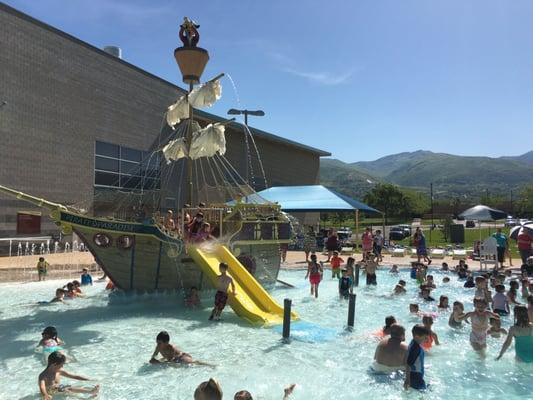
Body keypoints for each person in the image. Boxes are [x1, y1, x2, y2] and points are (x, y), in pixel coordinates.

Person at [404, 324, 430, 390]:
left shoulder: (413, 342)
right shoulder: (415, 348)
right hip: (415, 376)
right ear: (417, 336)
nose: (426, 339)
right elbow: (408, 364)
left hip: (415, 374)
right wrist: (407, 380)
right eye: (425, 337)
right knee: (423, 394)